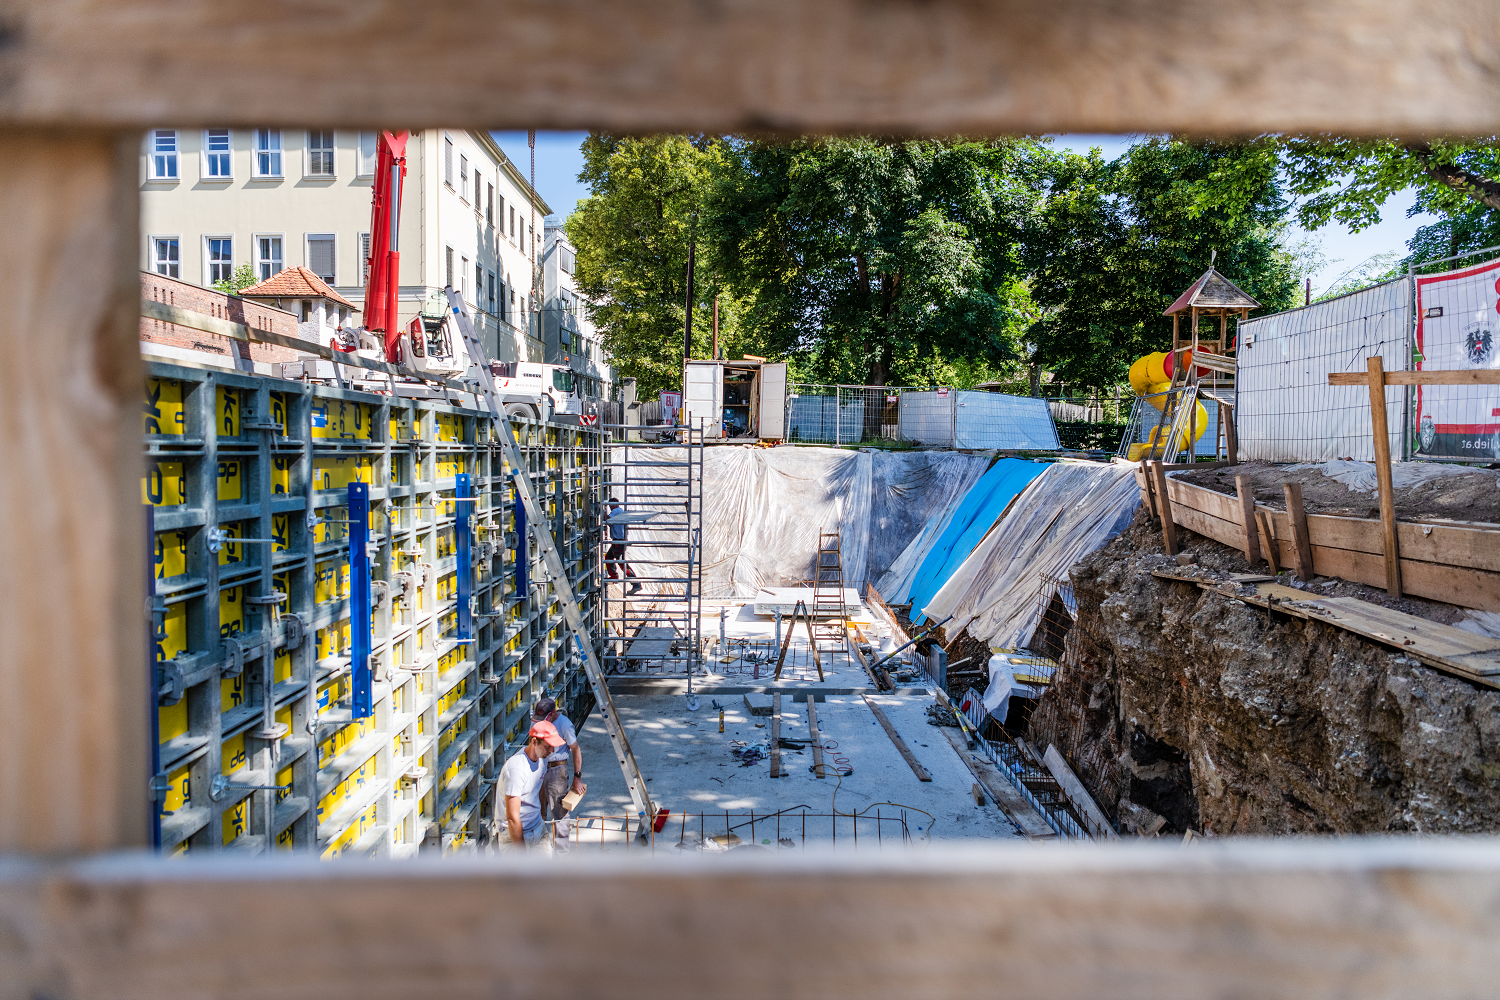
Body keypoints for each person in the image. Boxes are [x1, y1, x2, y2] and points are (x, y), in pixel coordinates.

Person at [501, 720, 567, 849]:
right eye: (548, 746)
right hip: (515, 835)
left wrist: (542, 816)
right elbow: (512, 818)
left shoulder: (542, 758)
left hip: (537, 828)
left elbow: (539, 785)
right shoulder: (516, 769)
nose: (552, 750)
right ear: (534, 742)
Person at [533, 697, 585, 852]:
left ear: (554, 712)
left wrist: (577, 778)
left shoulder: (564, 725)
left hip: (557, 771)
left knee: (559, 814)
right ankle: (540, 853)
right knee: (537, 812)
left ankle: (561, 857)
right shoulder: (538, 720)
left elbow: (576, 749)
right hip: (540, 768)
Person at [605, 501, 642, 595]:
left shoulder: (616, 511)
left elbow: (608, 520)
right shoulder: (620, 511)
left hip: (618, 541)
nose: (610, 508)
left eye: (610, 506)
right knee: (608, 557)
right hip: (619, 541)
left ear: (613, 505)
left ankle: (635, 583)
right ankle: (614, 576)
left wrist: (603, 512)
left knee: (621, 563)